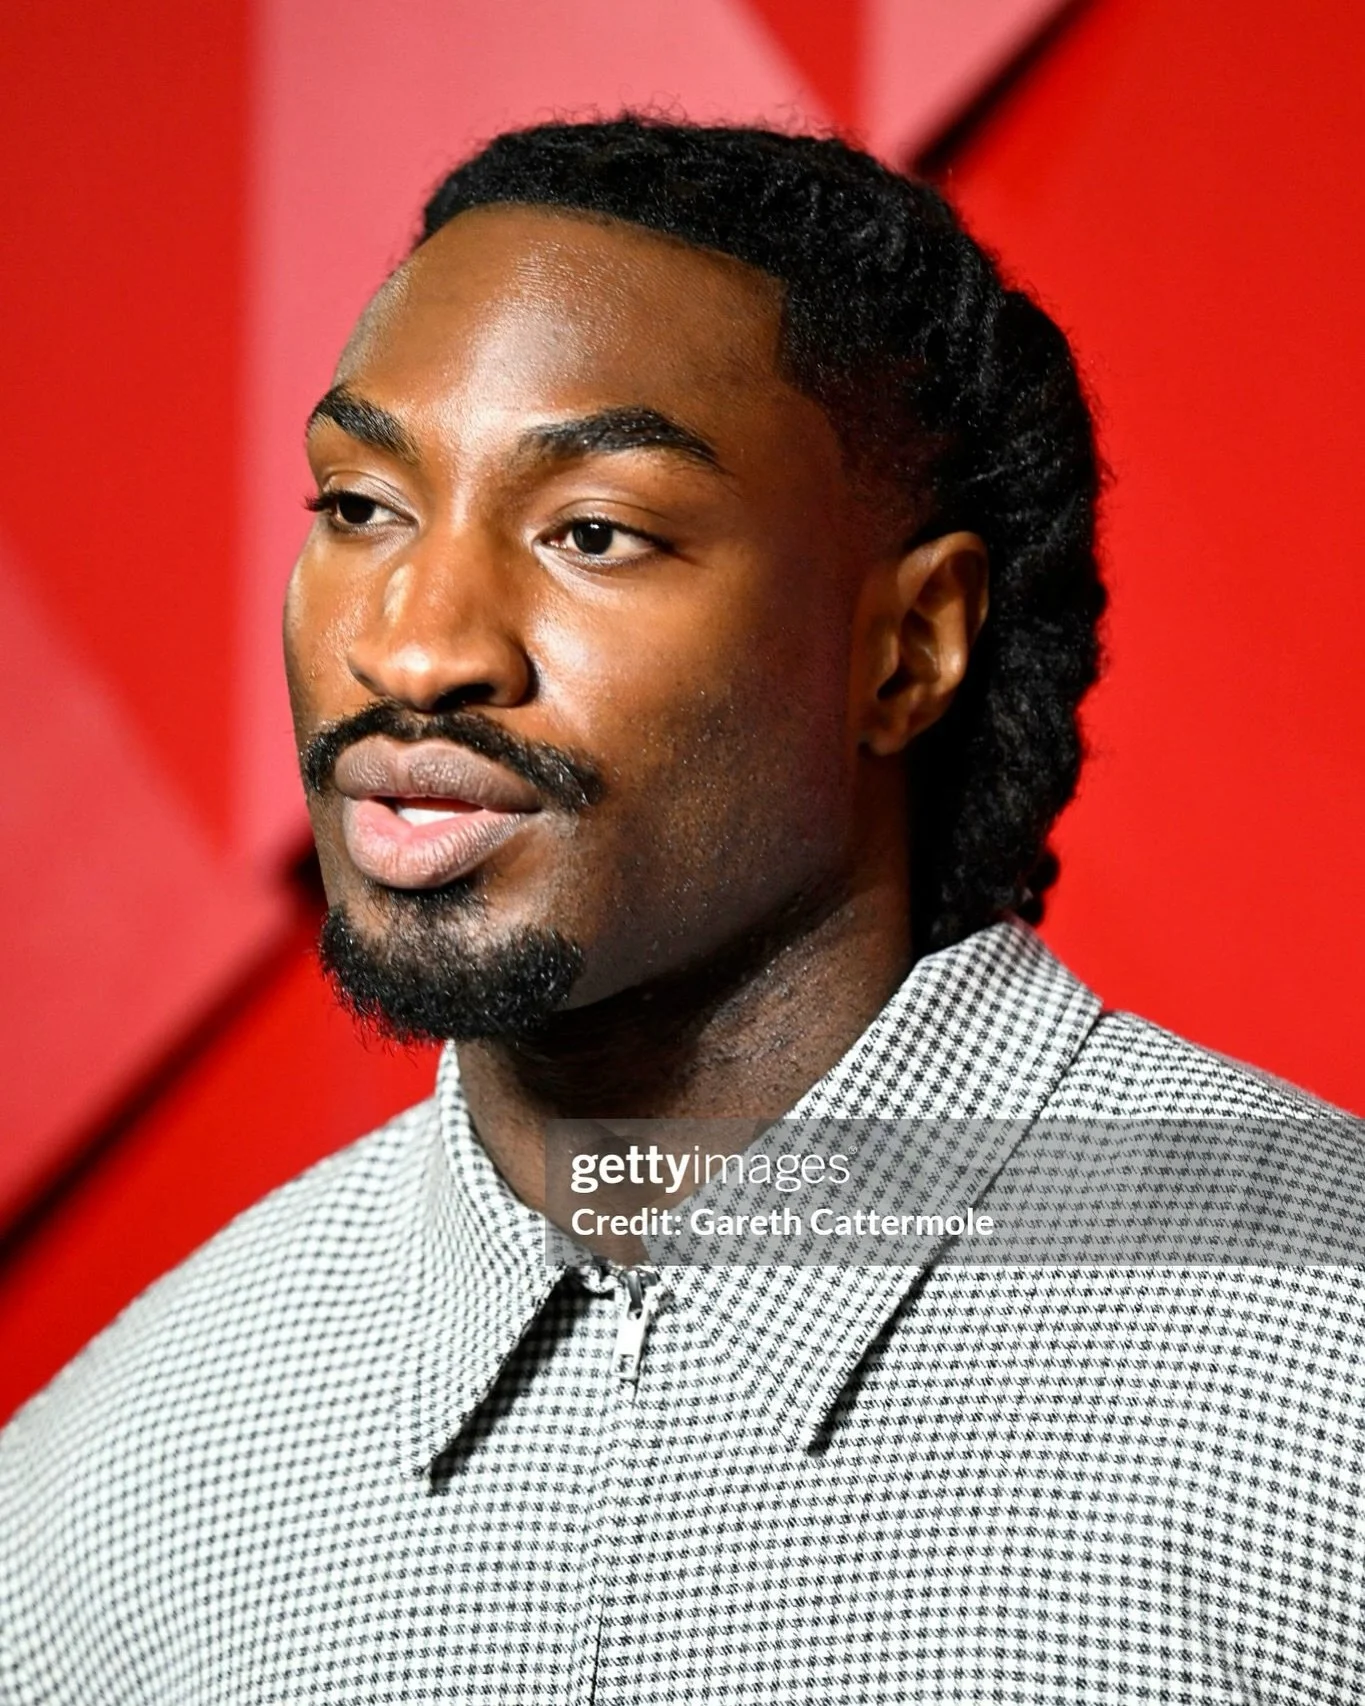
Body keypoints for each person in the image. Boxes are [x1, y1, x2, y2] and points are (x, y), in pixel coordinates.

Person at [2, 117, 1362, 1704]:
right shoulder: (98, 1496)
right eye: (362, 505)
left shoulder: (1326, 1373)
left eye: (594, 530)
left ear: (909, 647)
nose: (417, 644)